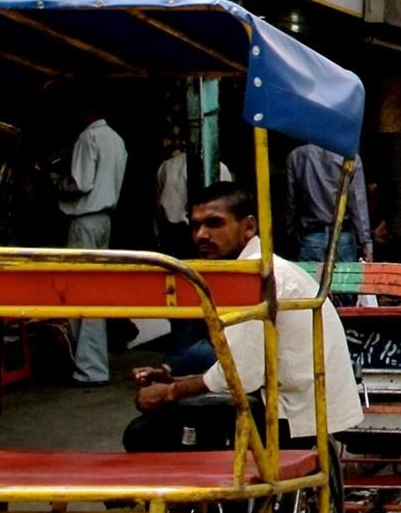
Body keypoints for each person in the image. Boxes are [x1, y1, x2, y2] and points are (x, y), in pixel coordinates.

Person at [126, 183, 364, 451]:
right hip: (294, 403)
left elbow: (241, 375)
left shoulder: (257, 278)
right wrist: (176, 382)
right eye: (196, 226)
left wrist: (169, 393)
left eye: (214, 223)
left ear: (248, 227)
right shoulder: (254, 270)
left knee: (142, 433)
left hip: (294, 415)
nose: (201, 235)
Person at [56, 107, 129, 386]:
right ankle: (90, 365)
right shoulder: (115, 139)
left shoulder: (88, 138)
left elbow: (80, 182)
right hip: (104, 219)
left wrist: (57, 182)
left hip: (85, 219)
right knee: (93, 290)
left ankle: (89, 369)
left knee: (81, 292)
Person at [284, 142, 373, 265]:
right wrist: (366, 245)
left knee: (310, 283)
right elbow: (358, 204)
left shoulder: (296, 156)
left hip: (311, 237)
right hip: (342, 238)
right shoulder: (349, 157)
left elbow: (291, 204)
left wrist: (290, 235)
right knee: (343, 283)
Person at [153, 148, 233, 252]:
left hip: (210, 238)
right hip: (174, 239)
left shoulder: (220, 168)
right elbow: (158, 214)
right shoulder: (167, 167)